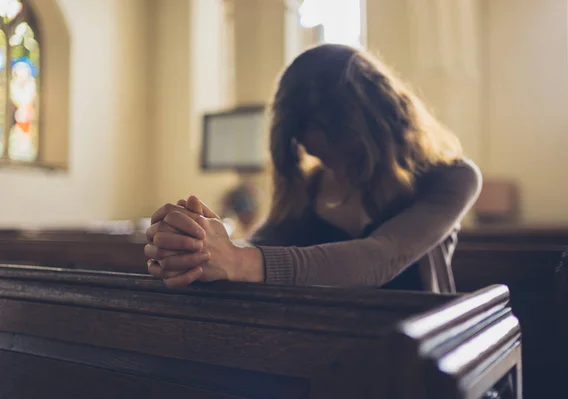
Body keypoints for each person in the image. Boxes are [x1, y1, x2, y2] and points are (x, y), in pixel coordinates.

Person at [144, 44, 482, 291]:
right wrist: (199, 245)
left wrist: (238, 261)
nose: (332, 167)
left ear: (376, 127)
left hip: (417, 357)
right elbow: (262, 243)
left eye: (343, 150)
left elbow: (381, 256)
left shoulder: (452, 178)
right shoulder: (311, 187)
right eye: (314, 152)